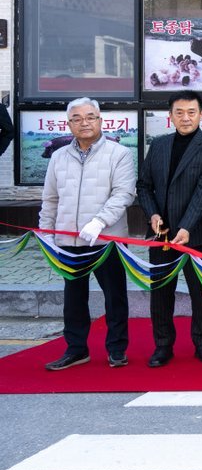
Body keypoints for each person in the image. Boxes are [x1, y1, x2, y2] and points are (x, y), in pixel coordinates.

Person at [39, 98, 136, 371]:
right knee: (73, 299)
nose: (84, 123)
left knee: (115, 296)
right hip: (68, 241)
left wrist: (99, 222)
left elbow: (124, 194)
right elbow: (50, 199)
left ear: (100, 120)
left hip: (107, 240)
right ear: (69, 124)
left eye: (90, 117)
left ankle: (116, 349)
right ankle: (76, 349)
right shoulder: (58, 156)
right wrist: (46, 232)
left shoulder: (119, 153)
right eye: (77, 118)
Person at [138, 91, 202, 368]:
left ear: (201, 115)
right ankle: (162, 345)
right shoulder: (158, 145)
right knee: (161, 291)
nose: (185, 118)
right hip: (162, 233)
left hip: (197, 233)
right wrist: (152, 214)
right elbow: (144, 186)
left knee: (200, 291)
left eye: (191, 112)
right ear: (170, 116)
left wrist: (187, 226)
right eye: (179, 112)